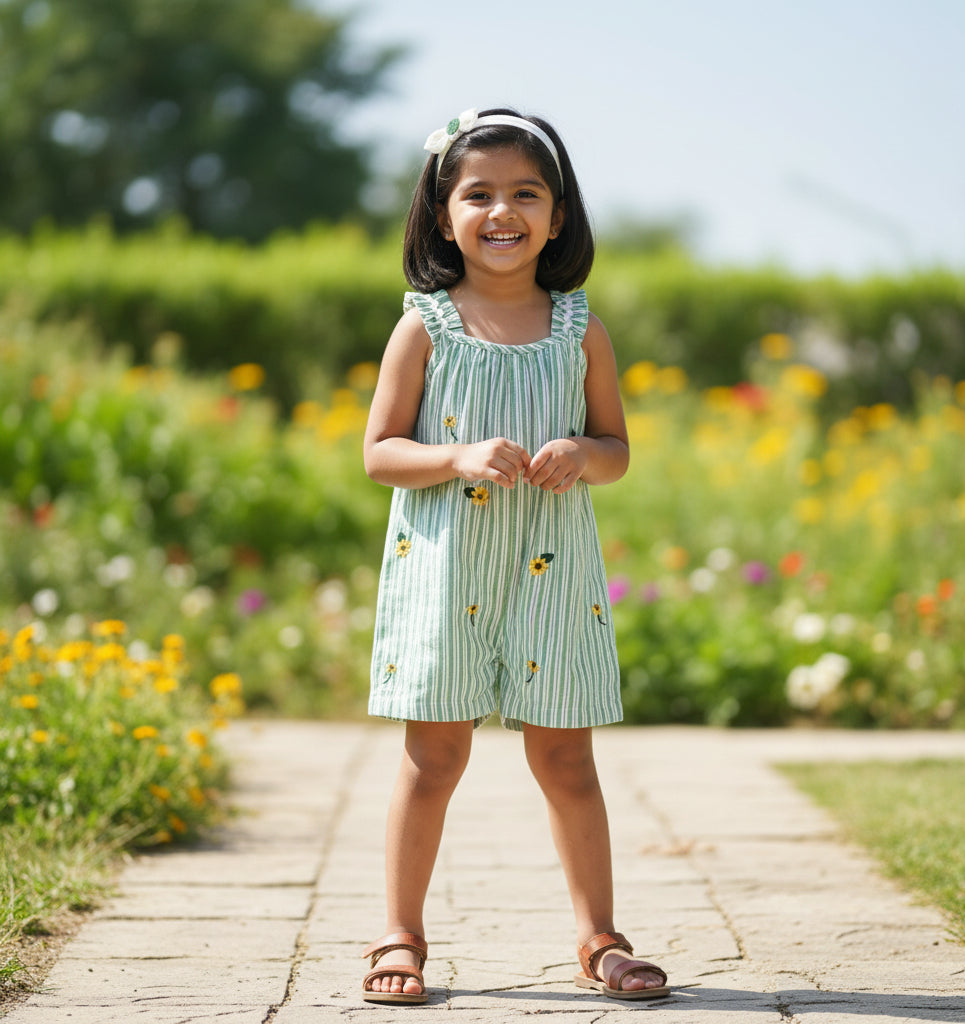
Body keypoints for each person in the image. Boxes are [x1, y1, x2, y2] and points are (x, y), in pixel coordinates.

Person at [360, 106, 669, 1005]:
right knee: (435, 758)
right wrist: (454, 456)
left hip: (553, 573)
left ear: (559, 215)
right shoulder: (425, 326)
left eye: (526, 194)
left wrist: (584, 453)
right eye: (479, 194)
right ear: (442, 213)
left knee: (567, 758)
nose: (504, 212)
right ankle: (401, 934)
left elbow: (615, 446)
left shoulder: (580, 331)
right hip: (445, 570)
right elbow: (380, 452)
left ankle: (600, 937)